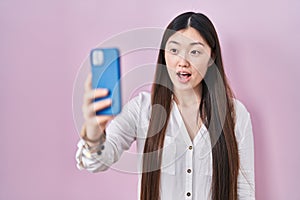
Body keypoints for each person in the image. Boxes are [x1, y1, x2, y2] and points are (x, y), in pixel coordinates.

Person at [76, 12, 255, 200]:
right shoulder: (142, 109)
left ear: (211, 57)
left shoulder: (235, 115)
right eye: (174, 50)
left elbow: (244, 192)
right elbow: (96, 163)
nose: (182, 62)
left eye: (194, 52)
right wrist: (94, 135)